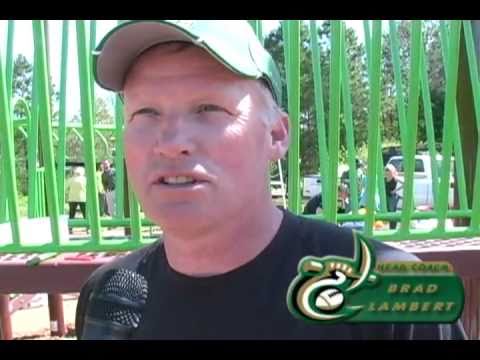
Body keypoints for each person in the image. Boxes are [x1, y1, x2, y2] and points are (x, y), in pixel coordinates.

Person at [75, 20, 466, 340]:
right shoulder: (109, 296)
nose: (172, 142)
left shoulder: (389, 290)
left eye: (208, 108)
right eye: (145, 113)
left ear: (277, 135)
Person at [66, 166, 87, 233]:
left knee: (71, 214)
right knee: (85, 214)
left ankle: (70, 228)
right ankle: (88, 227)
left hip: (72, 198)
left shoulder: (71, 179)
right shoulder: (84, 179)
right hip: (82, 198)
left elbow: (66, 188)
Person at [384, 163, 402, 230]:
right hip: (386, 196)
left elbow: (404, 183)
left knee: (392, 212)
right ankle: (391, 228)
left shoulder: (394, 178)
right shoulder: (384, 178)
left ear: (391, 170)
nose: (386, 171)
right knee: (389, 212)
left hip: (392, 197)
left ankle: (393, 228)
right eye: (385, 170)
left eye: (387, 170)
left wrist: (395, 190)